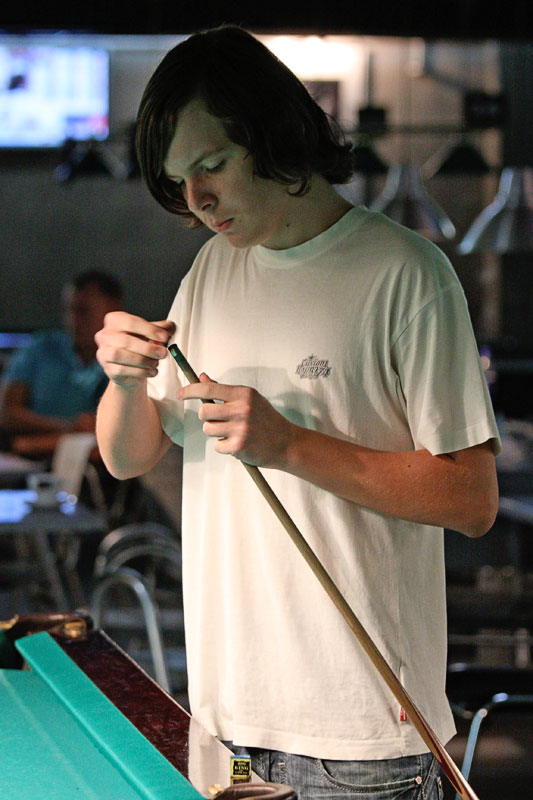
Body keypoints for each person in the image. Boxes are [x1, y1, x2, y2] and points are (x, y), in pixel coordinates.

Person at [94, 26, 500, 800]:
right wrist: (121, 381)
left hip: (358, 741)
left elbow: (471, 498)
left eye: (210, 165)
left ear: (272, 134)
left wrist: (288, 444)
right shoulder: (213, 268)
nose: (197, 199)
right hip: (225, 720)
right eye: (179, 181)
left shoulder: (405, 274)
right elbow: (127, 455)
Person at [0, 270, 123, 440]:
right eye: (69, 310)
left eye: (83, 311)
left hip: (100, 454)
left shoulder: (129, 359)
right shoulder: (40, 347)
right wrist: (67, 427)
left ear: (113, 310)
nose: (73, 320)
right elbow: (6, 412)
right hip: (34, 453)